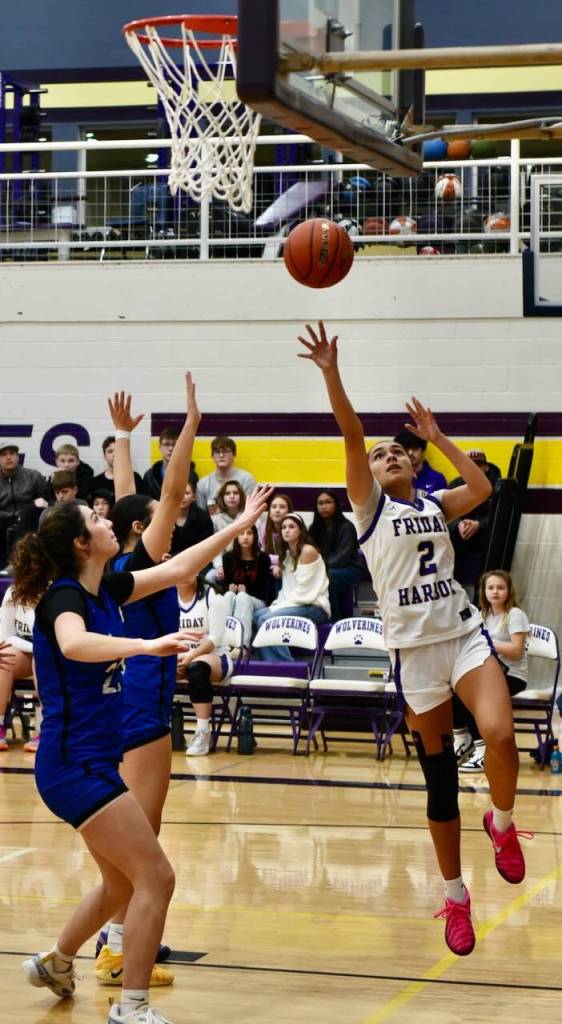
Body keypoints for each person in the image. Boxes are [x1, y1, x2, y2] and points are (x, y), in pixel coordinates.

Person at [297, 320, 531, 958]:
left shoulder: (433, 505)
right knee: (439, 783)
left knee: (500, 735)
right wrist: (330, 372)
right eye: (379, 454)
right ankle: (456, 896)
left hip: (462, 636)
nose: (387, 455)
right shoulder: (369, 509)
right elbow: (350, 432)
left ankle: (503, 824)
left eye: (397, 451)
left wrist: (439, 437)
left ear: (414, 462)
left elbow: (486, 489)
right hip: (414, 657)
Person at [15, 488, 270, 1024]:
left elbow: (178, 564)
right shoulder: (65, 599)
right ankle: (131, 1009)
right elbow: (73, 645)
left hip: (91, 763)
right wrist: (144, 646)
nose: (107, 518)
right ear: (84, 544)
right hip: (72, 767)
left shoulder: (106, 588)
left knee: (123, 883)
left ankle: (56, 962)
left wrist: (239, 523)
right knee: (158, 877)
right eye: (95, 517)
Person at [93, 378, 199, 986]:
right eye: (159, 519)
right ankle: (114, 947)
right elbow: (171, 488)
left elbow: (133, 499)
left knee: (139, 836)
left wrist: (126, 438)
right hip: (140, 707)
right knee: (145, 836)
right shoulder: (144, 559)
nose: (170, 515)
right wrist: (187, 427)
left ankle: (118, 939)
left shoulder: (128, 564)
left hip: (128, 700)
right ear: (143, 532)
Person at [455, 570, 530, 773]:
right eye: (491, 587)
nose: (495, 592)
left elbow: (516, 651)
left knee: (475, 696)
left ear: (508, 591)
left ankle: (482, 751)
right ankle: (462, 739)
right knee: (455, 687)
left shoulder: (515, 614)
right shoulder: (483, 615)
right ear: (484, 591)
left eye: (500, 588)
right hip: (490, 672)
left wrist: (489, 643)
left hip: (513, 675)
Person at [253, 512, 330, 662]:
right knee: (257, 615)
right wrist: (278, 604)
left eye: (291, 527)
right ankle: (269, 663)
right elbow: (287, 589)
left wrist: (278, 608)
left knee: (266, 620)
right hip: (296, 603)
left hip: (314, 606)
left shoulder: (308, 551)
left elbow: (305, 591)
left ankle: (285, 665)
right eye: (283, 527)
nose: (286, 530)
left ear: (300, 530)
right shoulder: (287, 554)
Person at [177, 575, 233, 756]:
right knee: (154, 670)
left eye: (189, 570)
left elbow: (215, 638)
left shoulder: (213, 597)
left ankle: (202, 733)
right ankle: (157, 730)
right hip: (181, 655)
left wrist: (190, 656)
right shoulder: (167, 599)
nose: (183, 575)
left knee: (197, 669)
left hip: (214, 656)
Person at [448, 449, 501, 600]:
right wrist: (458, 524)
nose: (475, 468)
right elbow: (444, 513)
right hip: (459, 547)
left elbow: (501, 517)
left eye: (479, 464)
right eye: (470, 464)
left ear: (486, 467)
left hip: (487, 548)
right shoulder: (455, 485)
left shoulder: (497, 487)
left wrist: (479, 524)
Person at [308, 489, 364, 621]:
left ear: (336, 504)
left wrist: (320, 569)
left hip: (350, 569)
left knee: (329, 577)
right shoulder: (313, 528)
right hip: (325, 569)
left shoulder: (347, 527)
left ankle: (335, 620)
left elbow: (342, 557)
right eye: (320, 503)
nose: (323, 506)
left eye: (328, 502)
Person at [219, 524, 274, 651]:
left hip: (257, 601)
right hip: (235, 598)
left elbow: (264, 590)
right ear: (236, 537)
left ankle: (242, 646)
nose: (245, 537)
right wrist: (230, 588)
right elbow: (226, 584)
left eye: (249, 533)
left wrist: (246, 592)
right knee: (228, 595)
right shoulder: (228, 557)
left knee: (242, 597)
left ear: (255, 536)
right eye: (241, 533)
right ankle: (224, 642)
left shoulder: (263, 559)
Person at [0, 583, 37, 752]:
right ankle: (0, 726)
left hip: (52, 653)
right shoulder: (13, 592)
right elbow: (6, 637)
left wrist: (39, 650)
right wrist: (34, 649)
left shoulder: (56, 591)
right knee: (3, 656)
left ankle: (45, 731)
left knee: (42, 660)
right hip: (26, 650)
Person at [0, 441, 48, 568]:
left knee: (30, 512)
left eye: (12, 453)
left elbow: (49, 500)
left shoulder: (33, 476)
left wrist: (44, 502)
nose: (8, 457)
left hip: (27, 520)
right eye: (4, 455)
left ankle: (14, 562)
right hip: (3, 520)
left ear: (17, 457)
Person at [196, 435, 256, 514]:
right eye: (217, 452)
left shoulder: (247, 479)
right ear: (212, 456)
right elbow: (201, 515)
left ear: (234, 455)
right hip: (213, 525)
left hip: (241, 525)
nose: (221, 455)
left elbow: (251, 511)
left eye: (226, 451)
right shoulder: (203, 484)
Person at [142, 426, 197, 501]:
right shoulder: (149, 476)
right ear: (159, 447)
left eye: (174, 445)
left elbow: (192, 504)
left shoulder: (191, 475)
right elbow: (145, 503)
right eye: (166, 444)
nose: (170, 449)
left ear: (181, 447)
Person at [394, 427, 448, 497]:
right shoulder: (394, 478)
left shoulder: (437, 479)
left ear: (422, 450)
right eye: (406, 448)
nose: (410, 453)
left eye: (415, 448)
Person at [91, 436, 143, 501]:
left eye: (118, 451)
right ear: (104, 456)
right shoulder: (95, 482)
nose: (114, 454)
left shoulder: (135, 478)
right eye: (110, 451)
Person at [169, 481, 213, 556]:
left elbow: (205, 546)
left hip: (195, 560)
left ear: (194, 497)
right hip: (168, 561)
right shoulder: (166, 516)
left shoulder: (203, 517)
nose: (182, 496)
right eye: (180, 493)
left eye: (186, 493)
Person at [258, 492, 294, 566]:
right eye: (274, 507)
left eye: (282, 507)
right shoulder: (263, 528)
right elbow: (261, 557)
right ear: (270, 513)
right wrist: (274, 567)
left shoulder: (295, 528)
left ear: (289, 511)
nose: (277, 510)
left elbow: (292, 558)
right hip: (268, 568)